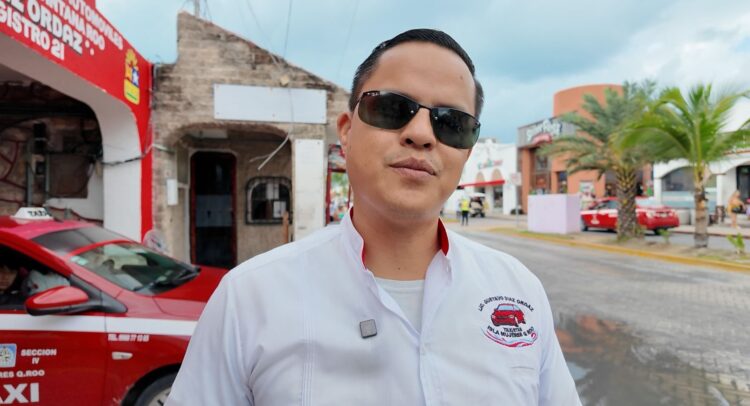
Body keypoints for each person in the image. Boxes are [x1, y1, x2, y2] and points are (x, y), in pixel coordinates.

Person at [168, 29, 581, 405]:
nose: (421, 134)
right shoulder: (249, 298)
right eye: (392, 108)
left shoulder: (520, 291)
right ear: (346, 131)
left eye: (452, 123)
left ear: (467, 152)